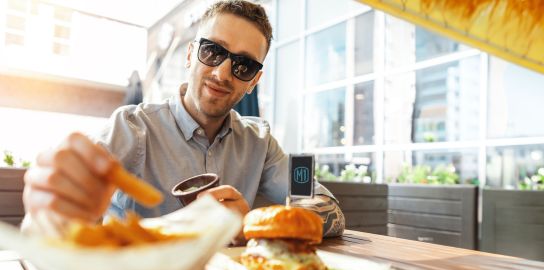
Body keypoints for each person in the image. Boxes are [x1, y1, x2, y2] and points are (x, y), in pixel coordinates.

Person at [21, 0, 345, 238]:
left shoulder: (262, 140)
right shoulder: (131, 127)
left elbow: (328, 206)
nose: (222, 73)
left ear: (253, 82)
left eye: (243, 65)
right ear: (190, 54)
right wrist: (53, 203)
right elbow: (51, 220)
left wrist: (250, 222)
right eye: (213, 51)